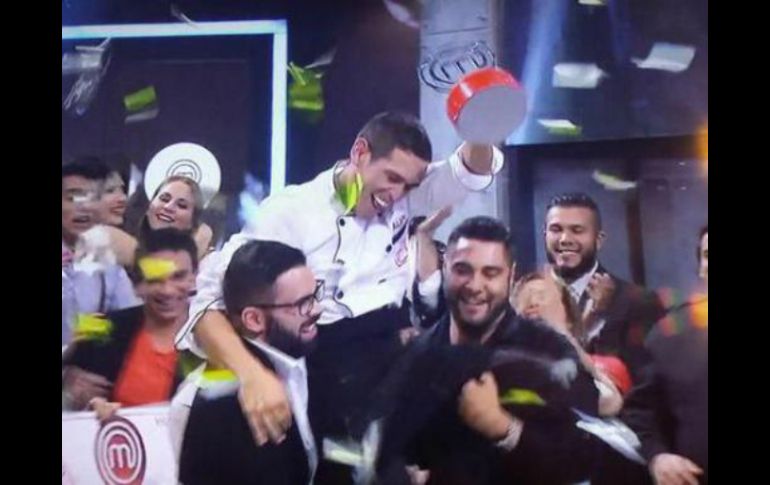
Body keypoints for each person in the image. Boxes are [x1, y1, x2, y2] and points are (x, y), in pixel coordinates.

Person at [176, 111, 506, 451]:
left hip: (388, 360)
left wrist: (482, 122)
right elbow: (208, 299)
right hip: (318, 366)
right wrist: (252, 375)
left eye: (408, 185)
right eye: (391, 178)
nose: (396, 194)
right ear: (360, 152)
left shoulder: (405, 195)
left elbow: (468, 171)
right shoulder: (291, 212)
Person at [179, 240, 321, 485]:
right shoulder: (213, 404)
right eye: (302, 304)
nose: (317, 309)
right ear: (254, 319)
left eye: (316, 295)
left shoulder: (310, 358)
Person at [62, 228, 197, 411]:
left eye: (178, 277)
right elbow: (68, 381)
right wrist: (67, 383)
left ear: (194, 277)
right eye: (155, 279)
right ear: (138, 283)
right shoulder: (99, 324)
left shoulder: (213, 338)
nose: (167, 290)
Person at [623, 226, 708, 485]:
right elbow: (640, 411)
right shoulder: (669, 333)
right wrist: (657, 457)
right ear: (701, 267)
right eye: (707, 255)